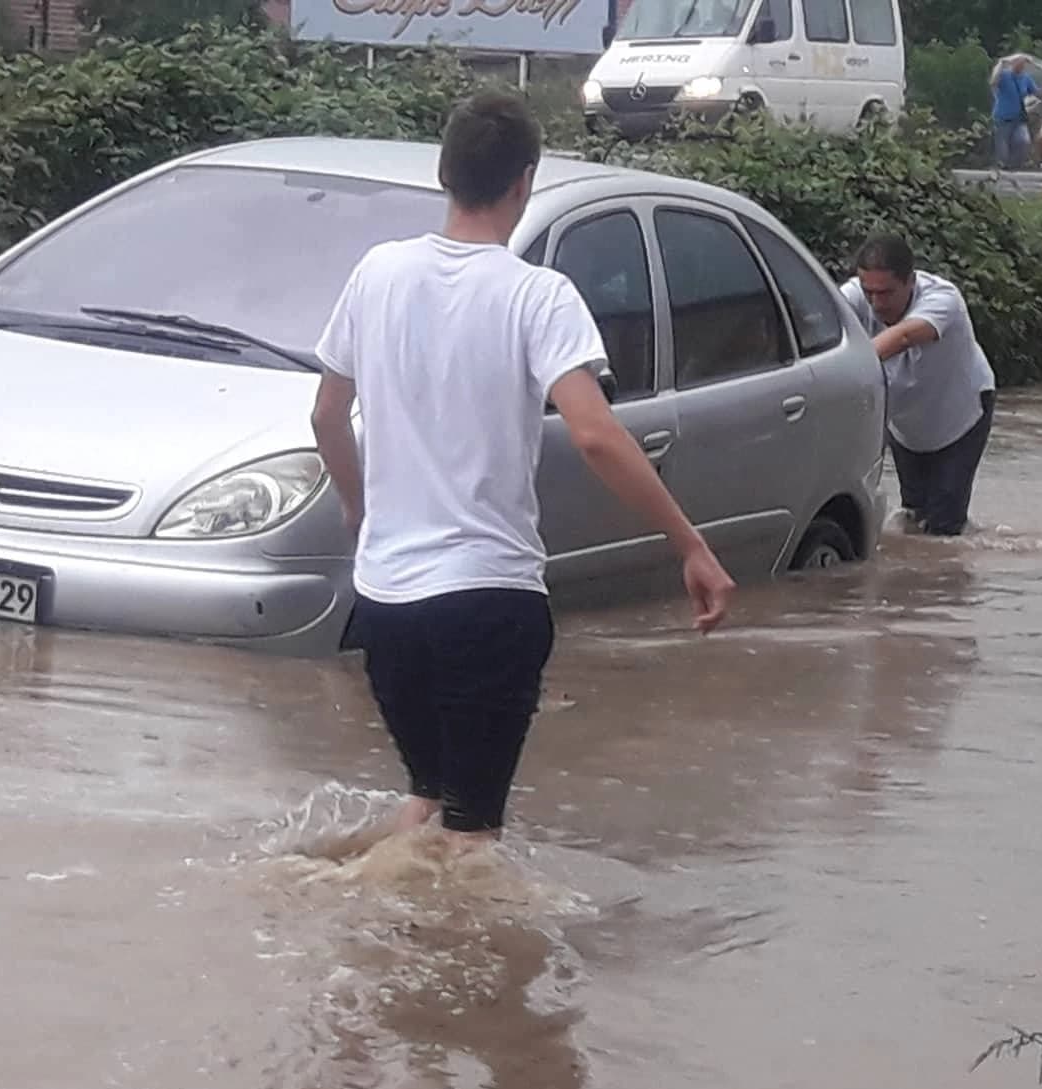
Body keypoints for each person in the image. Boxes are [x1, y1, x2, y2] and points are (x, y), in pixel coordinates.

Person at [310, 90, 736, 842]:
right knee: (473, 835)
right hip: (487, 598)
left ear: (445, 174)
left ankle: (357, 920)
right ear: (523, 182)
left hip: (385, 604)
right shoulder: (540, 296)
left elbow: (325, 414)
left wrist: (358, 510)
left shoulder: (377, 273)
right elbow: (597, 436)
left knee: (429, 797)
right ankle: (439, 956)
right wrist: (690, 544)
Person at [839, 234, 996, 537]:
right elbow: (824, 318)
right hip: (906, 422)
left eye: (885, 293)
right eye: (868, 292)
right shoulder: (854, 296)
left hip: (961, 418)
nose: (875, 303)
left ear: (910, 280)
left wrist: (843, 368)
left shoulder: (943, 299)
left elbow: (903, 337)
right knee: (912, 514)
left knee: (944, 525)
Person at [989, 53, 1040, 170]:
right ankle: (1003, 166)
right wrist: (1001, 64)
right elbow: (993, 82)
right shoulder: (1004, 75)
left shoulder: (1026, 78)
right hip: (1003, 116)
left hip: (1020, 117)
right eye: (1019, 63)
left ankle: (1014, 164)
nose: (1021, 66)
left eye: (1023, 64)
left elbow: (1035, 92)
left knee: (1023, 141)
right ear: (1013, 64)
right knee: (1002, 144)